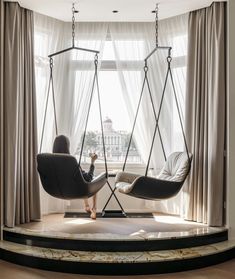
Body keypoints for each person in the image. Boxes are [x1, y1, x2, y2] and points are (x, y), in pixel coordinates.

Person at [52, 135, 98, 220]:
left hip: (56, 190)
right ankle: (94, 208)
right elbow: (88, 178)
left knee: (80, 178)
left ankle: (87, 206)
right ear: (67, 147)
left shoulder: (50, 161)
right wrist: (92, 162)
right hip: (76, 190)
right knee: (94, 179)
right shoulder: (71, 161)